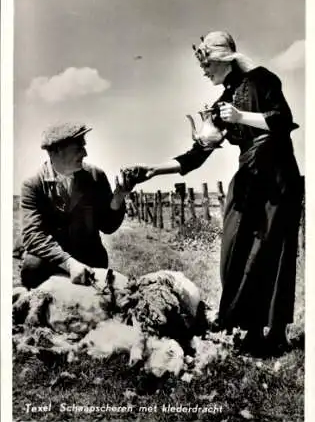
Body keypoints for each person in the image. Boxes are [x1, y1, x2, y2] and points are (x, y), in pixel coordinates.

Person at [130, 31, 303, 356]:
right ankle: (247, 328)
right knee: (235, 252)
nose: (204, 70)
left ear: (222, 59)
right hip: (248, 175)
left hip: (277, 173)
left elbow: (283, 120)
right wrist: (154, 169)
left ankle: (274, 334)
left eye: (207, 63)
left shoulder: (263, 79)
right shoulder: (222, 101)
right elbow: (196, 156)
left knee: (271, 250)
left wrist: (241, 117)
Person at [20, 122, 134, 289]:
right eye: (78, 148)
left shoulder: (96, 176)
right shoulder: (33, 184)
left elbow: (108, 226)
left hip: (90, 257)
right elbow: (33, 236)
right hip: (52, 259)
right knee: (32, 265)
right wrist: (69, 263)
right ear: (56, 151)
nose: (85, 153)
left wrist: (118, 198)